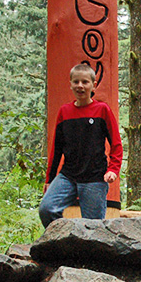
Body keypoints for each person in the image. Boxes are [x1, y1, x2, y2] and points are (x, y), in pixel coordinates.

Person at [39, 63, 122, 228]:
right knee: (46, 209)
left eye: (85, 82)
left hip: (94, 178)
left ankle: (88, 253)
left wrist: (113, 169)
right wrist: (50, 179)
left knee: (94, 229)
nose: (80, 86)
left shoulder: (102, 110)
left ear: (93, 85)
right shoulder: (65, 112)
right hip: (68, 176)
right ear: (70, 84)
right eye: (76, 82)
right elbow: (57, 148)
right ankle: (61, 244)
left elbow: (116, 144)